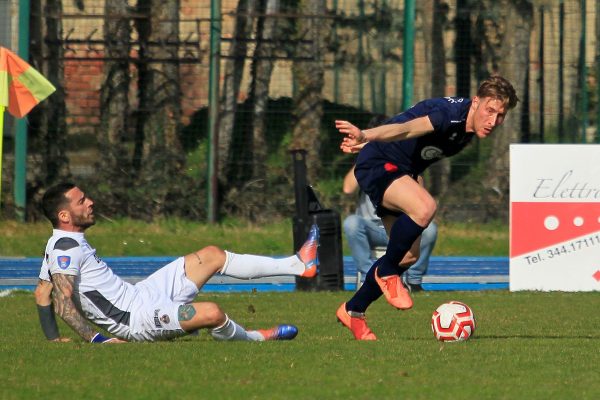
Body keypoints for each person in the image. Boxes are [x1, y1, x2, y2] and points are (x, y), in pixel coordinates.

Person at [335, 75, 518, 340]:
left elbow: (411, 143)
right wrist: (367, 135)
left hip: (398, 170)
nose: (493, 121)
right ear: (476, 102)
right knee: (425, 207)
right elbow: (406, 128)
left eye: (500, 115)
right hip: (378, 166)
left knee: (409, 256)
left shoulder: (466, 132)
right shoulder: (450, 115)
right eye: (490, 111)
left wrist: (367, 142)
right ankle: (386, 274)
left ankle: (353, 310)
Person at [36, 182, 319, 343]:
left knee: (211, 255)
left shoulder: (58, 244)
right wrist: (98, 340)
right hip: (136, 320)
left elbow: (41, 293)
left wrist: (53, 339)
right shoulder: (64, 248)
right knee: (211, 312)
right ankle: (256, 338)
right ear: (64, 216)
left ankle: (297, 265)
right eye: (81, 201)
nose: (90, 202)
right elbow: (62, 300)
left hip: (141, 294)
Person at [342, 165, 438, 292]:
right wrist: (363, 156)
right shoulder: (369, 163)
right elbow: (348, 189)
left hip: (400, 229)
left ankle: (414, 281)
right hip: (372, 229)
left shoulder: (405, 161)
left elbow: (420, 198)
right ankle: (369, 277)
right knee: (351, 223)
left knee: (430, 229)